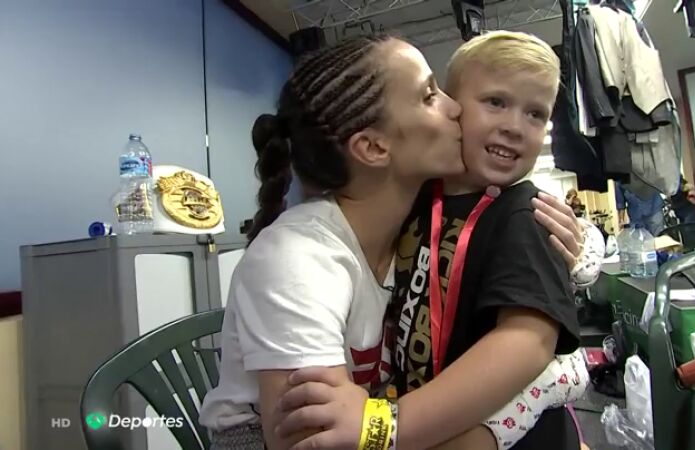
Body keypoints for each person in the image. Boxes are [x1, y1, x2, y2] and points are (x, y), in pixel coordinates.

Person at [198, 35, 593, 450]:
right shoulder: (298, 260)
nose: (455, 108)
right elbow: (313, 440)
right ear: (373, 147)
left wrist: (584, 254)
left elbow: (523, 331)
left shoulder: (413, 225)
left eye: (535, 114)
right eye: (430, 95)